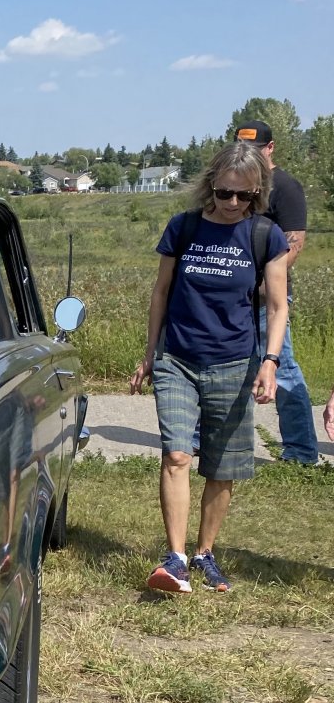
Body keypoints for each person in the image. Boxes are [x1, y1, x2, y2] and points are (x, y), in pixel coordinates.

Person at [129, 140, 290, 594]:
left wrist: (271, 363)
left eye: (244, 196)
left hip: (236, 363)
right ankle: (176, 558)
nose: (233, 203)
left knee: (221, 468)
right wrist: (150, 353)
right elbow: (160, 292)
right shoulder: (182, 229)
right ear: (210, 187)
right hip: (178, 359)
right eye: (225, 193)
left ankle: (205, 553)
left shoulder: (265, 236)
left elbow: (277, 307)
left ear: (256, 195)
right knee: (177, 454)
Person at [234, 120, 317, 463]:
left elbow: (295, 242)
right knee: (223, 365)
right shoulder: (234, 184)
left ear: (270, 149)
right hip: (233, 294)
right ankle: (203, 438)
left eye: (256, 150)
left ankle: (300, 450)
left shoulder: (285, 186)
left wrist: (270, 286)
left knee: (281, 370)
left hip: (269, 298)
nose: (249, 156)